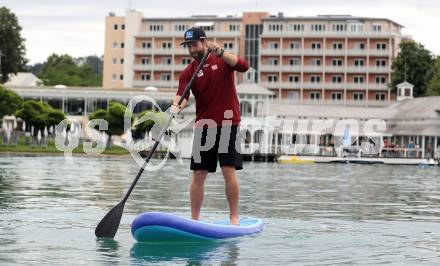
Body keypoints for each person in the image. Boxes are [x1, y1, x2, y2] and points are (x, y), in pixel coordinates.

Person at [170, 27, 249, 225]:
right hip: (204, 125)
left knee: (227, 170)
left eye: (195, 44)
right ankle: (194, 220)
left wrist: (221, 52)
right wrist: (175, 106)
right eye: (188, 46)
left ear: (205, 42)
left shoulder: (222, 60)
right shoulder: (188, 72)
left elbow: (243, 66)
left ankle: (234, 217)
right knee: (198, 173)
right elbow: (183, 95)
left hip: (228, 123)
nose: (192, 49)